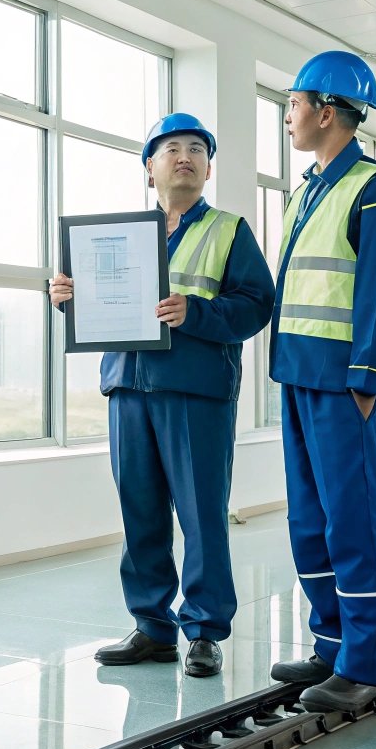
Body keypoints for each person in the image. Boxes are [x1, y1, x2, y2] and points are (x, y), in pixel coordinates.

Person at [50, 114, 274, 678]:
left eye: (197, 149)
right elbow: (101, 304)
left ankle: (203, 630)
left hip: (196, 393)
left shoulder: (229, 231)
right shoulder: (118, 234)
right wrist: (66, 295)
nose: (184, 157)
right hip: (129, 387)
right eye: (171, 148)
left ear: (207, 167)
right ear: (149, 168)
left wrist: (195, 312)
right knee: (140, 512)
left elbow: (255, 305)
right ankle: (152, 627)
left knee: (202, 516)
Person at [267, 51, 376, 713]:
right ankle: (332, 644)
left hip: (343, 386)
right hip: (299, 377)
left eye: (295, 103)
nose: (289, 114)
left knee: (354, 523)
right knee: (310, 521)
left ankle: (368, 664)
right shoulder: (305, 190)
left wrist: (369, 382)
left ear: (327, 112)